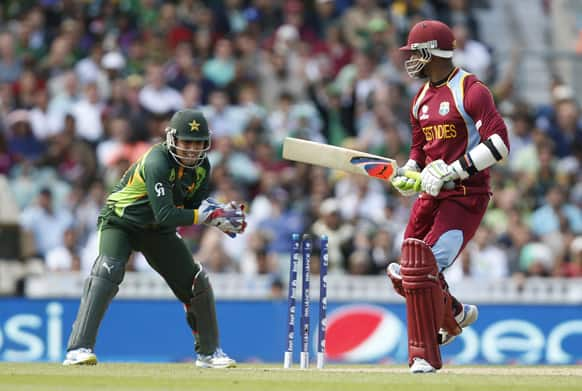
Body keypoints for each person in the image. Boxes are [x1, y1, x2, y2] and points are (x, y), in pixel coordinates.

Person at [63, 109, 246, 368]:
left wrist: (217, 215)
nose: (192, 150)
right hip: (121, 221)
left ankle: (209, 352)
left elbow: (191, 207)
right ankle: (78, 348)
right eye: (186, 142)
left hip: (157, 231)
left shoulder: (203, 168)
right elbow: (166, 213)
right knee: (108, 270)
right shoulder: (157, 161)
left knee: (196, 282)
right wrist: (206, 216)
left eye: (197, 143)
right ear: (172, 139)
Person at [386, 20, 510, 373]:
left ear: (431, 52)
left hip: (465, 194)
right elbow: (418, 152)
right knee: (404, 270)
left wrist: (454, 170)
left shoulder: (471, 89)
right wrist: (408, 174)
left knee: (420, 267)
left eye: (414, 53)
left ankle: (424, 356)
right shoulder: (420, 100)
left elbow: (499, 144)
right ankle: (452, 313)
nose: (410, 60)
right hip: (430, 196)